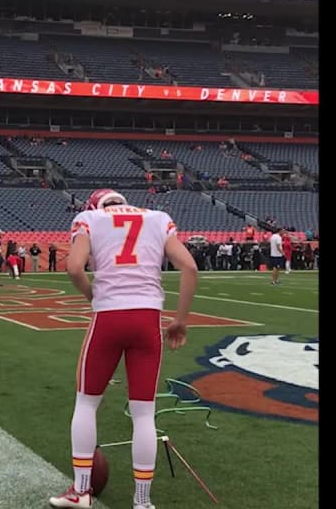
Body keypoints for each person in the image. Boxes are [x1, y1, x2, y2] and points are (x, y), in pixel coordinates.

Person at [48, 188, 197, 509]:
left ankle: (81, 491)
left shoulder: (88, 218)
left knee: (87, 404)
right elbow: (190, 267)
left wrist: (93, 296)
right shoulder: (158, 218)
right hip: (147, 319)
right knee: (144, 414)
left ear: (94, 205)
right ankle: (142, 502)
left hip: (109, 316)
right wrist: (180, 320)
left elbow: (74, 268)